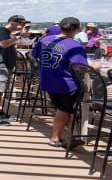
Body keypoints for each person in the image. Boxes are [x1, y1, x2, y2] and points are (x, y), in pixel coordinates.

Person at [32, 17, 88, 148]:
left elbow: (33, 54)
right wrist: (94, 67)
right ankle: (55, 138)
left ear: (60, 27)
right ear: (78, 29)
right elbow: (79, 67)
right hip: (66, 82)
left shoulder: (44, 40)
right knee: (64, 110)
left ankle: (75, 135)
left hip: (48, 79)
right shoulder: (76, 45)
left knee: (67, 109)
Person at [0, 15, 28, 125]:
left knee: (0, 89)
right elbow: (3, 44)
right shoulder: (1, 30)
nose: (23, 26)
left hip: (4, 65)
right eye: (21, 24)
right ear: (12, 23)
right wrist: (18, 37)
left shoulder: (7, 32)